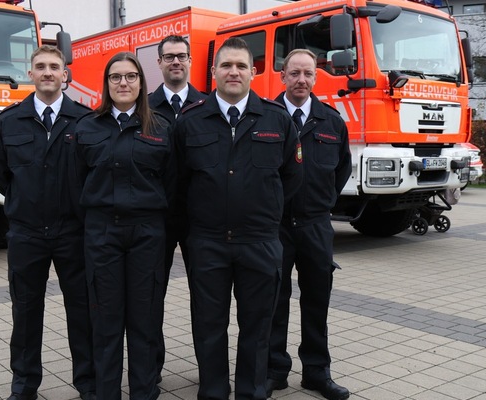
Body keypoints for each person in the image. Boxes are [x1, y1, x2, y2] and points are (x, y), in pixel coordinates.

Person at [172, 37, 303, 400]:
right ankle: (213, 392)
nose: (233, 72)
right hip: (208, 243)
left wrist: (260, 210)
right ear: (213, 72)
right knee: (209, 325)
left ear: (254, 72)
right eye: (226, 65)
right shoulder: (190, 120)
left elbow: (290, 178)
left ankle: (251, 392)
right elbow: (177, 182)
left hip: (259, 242)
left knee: (257, 327)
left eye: (241, 66)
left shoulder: (276, 119)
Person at [0, 45, 96, 400]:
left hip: (73, 233)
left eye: (55, 67)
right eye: (40, 66)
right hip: (27, 233)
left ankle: (88, 383)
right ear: (30, 73)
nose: (48, 72)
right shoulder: (9, 120)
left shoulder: (84, 120)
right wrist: (26, 201)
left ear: (66, 75)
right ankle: (24, 386)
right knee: (26, 313)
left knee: (82, 312)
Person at [75, 51, 173, 400]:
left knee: (145, 321)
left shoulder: (161, 126)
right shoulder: (87, 127)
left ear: (141, 82)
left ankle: (144, 393)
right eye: (116, 77)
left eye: (131, 76)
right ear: (106, 84)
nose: (123, 83)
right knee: (105, 322)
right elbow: (76, 185)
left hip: (148, 233)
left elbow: (173, 184)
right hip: (102, 234)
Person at [266, 48, 352, 400]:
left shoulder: (332, 121)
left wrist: (321, 206)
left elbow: (341, 171)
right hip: (275, 225)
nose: (302, 80)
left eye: (308, 74)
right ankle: (274, 370)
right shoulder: (266, 117)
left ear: (316, 78)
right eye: (294, 73)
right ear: (283, 76)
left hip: (316, 226)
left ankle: (317, 372)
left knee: (316, 301)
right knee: (274, 300)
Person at [146, 34, 205, 382]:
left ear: (190, 61)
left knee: (206, 299)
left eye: (181, 56)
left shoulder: (206, 105)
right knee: (152, 296)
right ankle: (150, 369)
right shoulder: (145, 107)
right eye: (168, 57)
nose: (175, 62)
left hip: (201, 220)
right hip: (157, 219)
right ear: (159, 63)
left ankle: (208, 369)